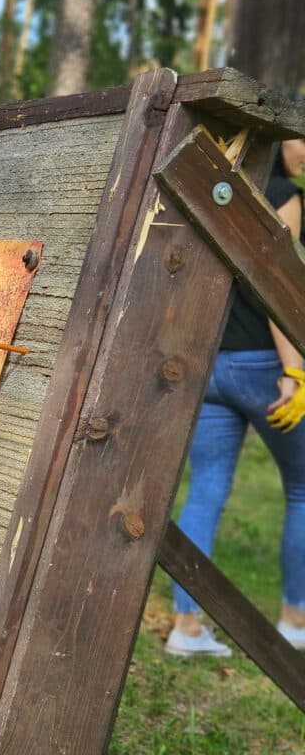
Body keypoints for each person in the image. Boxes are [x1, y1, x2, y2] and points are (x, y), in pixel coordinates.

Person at [165, 139, 305, 657]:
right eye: (300, 138)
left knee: (205, 489)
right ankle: (295, 619)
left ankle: (186, 628)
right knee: (303, 489)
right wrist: (296, 370)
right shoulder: (282, 193)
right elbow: (274, 284)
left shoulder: (204, 185)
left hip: (208, 363)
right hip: (264, 368)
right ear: (275, 136)